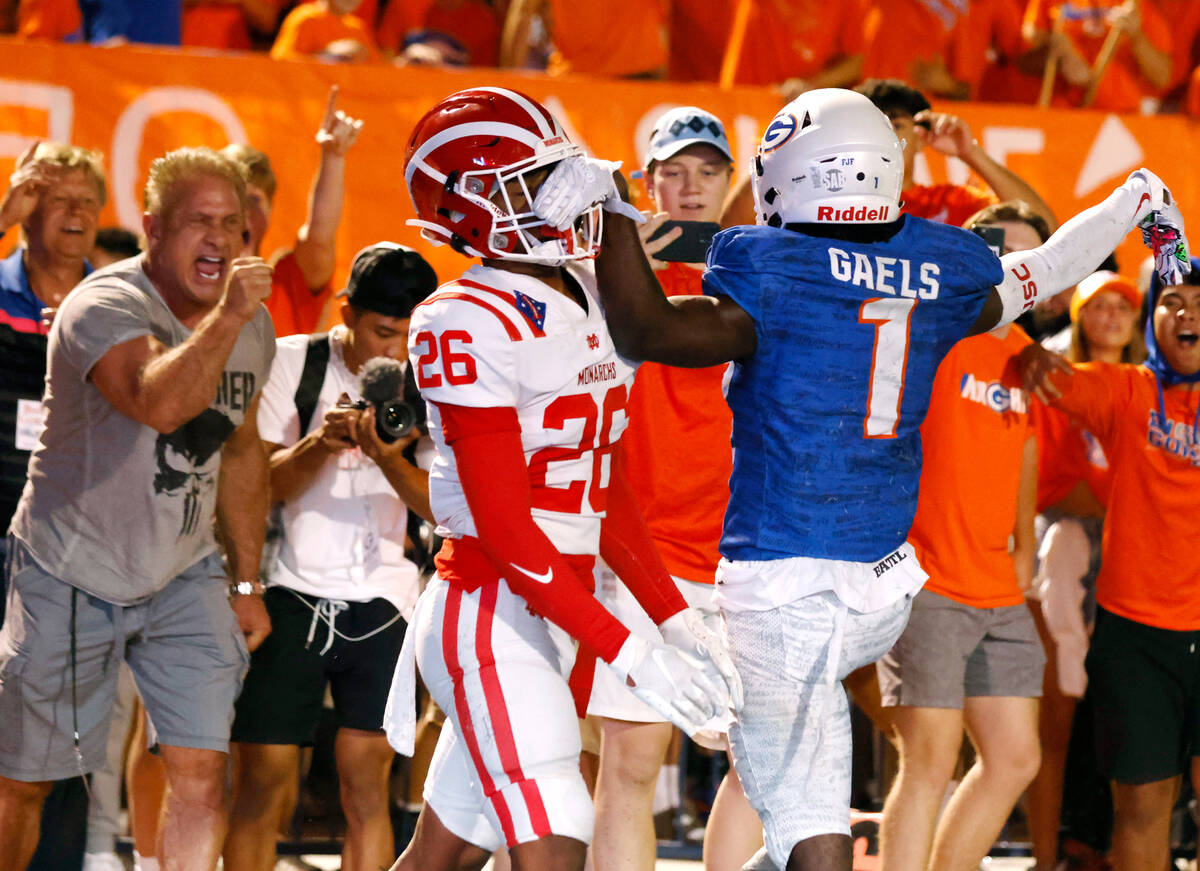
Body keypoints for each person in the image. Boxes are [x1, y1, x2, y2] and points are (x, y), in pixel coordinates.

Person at [529, 86, 1184, 871]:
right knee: (786, 793)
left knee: (811, 828)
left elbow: (646, 330)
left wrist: (609, 211)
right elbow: (1042, 271)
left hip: (781, 586)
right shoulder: (937, 264)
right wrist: (1131, 202)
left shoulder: (767, 264)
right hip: (885, 582)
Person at [382, 86, 740, 871]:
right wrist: (632, 650)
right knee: (558, 828)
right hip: (492, 605)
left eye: (557, 174)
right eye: (532, 182)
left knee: (444, 854)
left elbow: (600, 487)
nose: (556, 196)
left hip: (559, 607)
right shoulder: (462, 316)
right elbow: (508, 531)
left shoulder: (589, 289)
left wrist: (674, 617)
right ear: (470, 205)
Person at [0, 145, 276, 871]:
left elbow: (242, 450)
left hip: (183, 572)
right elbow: (159, 402)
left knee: (201, 769)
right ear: (153, 227)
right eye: (199, 222)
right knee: (25, 783)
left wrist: (247, 580)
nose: (220, 239)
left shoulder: (254, 326)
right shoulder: (103, 305)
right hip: (69, 566)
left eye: (232, 224)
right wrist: (228, 316)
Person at [582, 105, 760, 871]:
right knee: (629, 764)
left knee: (761, 766)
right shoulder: (603, 273)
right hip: (640, 552)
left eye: (707, 172)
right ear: (647, 183)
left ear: (729, 182)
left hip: (742, 555)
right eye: (674, 172)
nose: (691, 187)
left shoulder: (759, 277)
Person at [223, 242, 438, 871]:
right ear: (347, 313)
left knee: (367, 786)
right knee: (262, 779)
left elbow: (440, 508)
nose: (395, 351)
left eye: (408, 334)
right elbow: (257, 487)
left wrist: (389, 458)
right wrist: (321, 443)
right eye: (382, 332)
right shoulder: (293, 362)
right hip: (289, 589)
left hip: (386, 600)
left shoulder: (433, 377)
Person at [1019, 251, 1199, 871]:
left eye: (1199, 304)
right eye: (1173, 303)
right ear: (1156, 321)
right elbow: (1034, 370)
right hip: (1136, 634)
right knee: (1142, 807)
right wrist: (1021, 343)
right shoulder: (1127, 390)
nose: (1186, 314)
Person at [876, 207, 1044, 871]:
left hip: (998, 585)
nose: (1017, 268)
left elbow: (1024, 446)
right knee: (929, 761)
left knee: (1015, 757)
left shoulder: (1026, 353)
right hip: (929, 578)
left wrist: (1025, 545)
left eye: (1032, 257)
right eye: (1003, 251)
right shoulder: (932, 325)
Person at [0, 141, 105, 871]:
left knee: (60, 737)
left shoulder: (120, 301)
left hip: (74, 553)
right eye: (58, 198)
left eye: (87, 202)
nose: (76, 214)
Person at [1024, 269, 1147, 871]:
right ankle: (1049, 855)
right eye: (1099, 305)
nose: (1111, 316)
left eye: (1123, 305)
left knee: (1134, 721)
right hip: (1064, 550)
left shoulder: (1156, 387)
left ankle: (1128, 851)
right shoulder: (1052, 379)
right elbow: (1047, 480)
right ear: (1077, 315)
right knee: (1058, 714)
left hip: (1140, 561)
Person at [221, 84, 363, 338]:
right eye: (232, 197)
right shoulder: (184, 287)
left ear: (269, 212)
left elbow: (319, 238)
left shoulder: (286, 287)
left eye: (254, 199)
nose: (242, 210)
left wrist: (333, 156)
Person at [270, 0, 380, 63]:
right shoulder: (306, 18)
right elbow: (280, 64)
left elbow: (379, 69)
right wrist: (327, 56)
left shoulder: (358, 28)